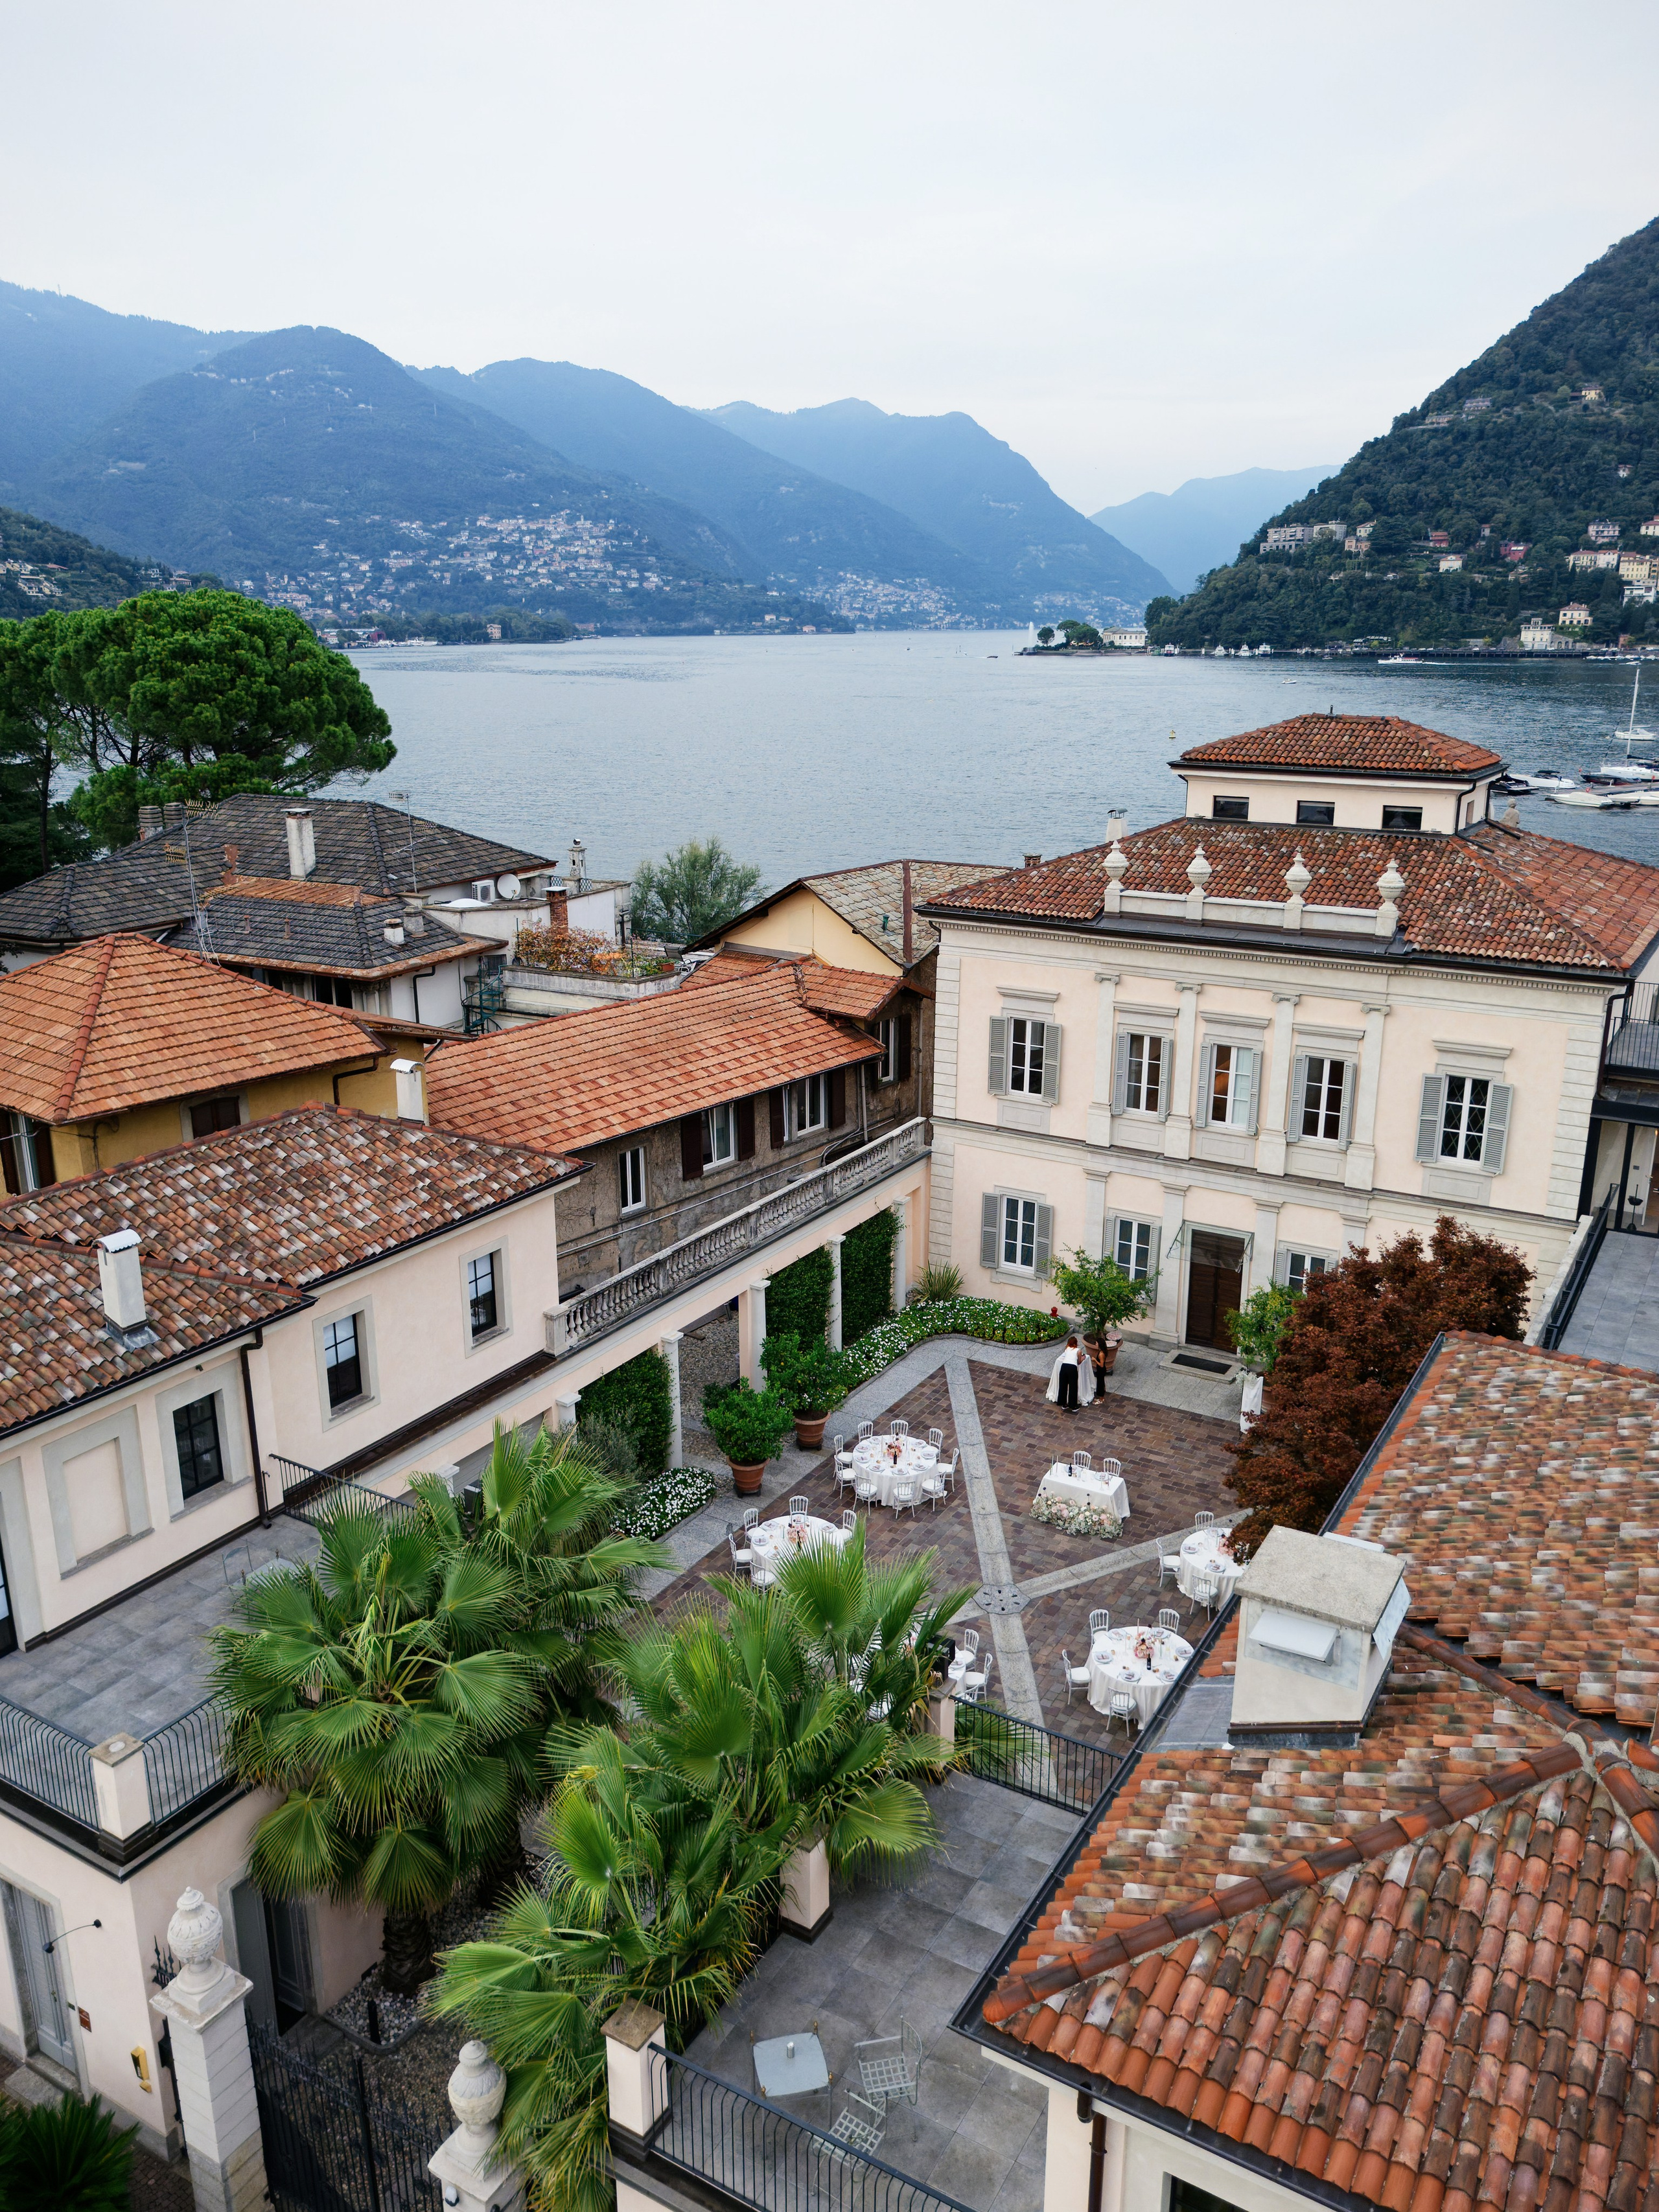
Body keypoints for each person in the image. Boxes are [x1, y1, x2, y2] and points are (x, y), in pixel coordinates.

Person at [1045, 1335, 1095, 1412]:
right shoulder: (1078, 1351)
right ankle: (1073, 1406)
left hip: (1064, 1367)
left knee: (1063, 1385)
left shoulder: (1067, 1349)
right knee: (1073, 1387)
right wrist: (1083, 1358)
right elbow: (1079, 1362)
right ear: (1076, 1343)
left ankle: (1063, 1403)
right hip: (1072, 1368)